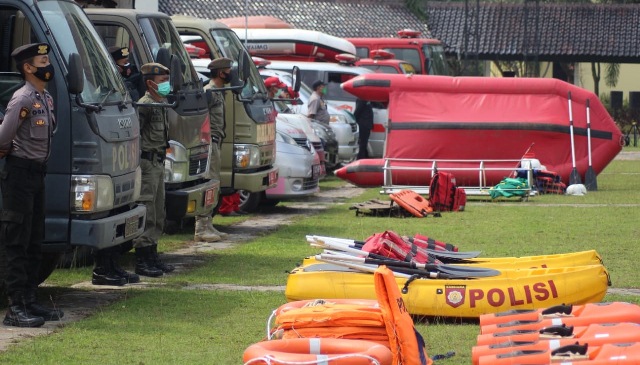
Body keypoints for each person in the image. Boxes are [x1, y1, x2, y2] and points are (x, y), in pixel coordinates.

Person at [0, 43, 64, 327]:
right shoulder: (22, 99)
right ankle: (15, 309)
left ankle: (30, 300)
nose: (47, 65)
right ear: (28, 67)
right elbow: (3, 138)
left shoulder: (45, 98)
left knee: (34, 239)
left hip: (38, 174)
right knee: (17, 240)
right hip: (19, 175)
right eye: (42, 60)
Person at [132, 62, 175, 277]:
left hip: (159, 161)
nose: (166, 85)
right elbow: (136, 135)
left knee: (159, 212)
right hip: (147, 163)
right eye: (162, 81)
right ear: (150, 83)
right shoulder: (145, 104)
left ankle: (153, 254)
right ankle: (142, 258)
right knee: (147, 210)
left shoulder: (163, 102)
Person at [194, 57, 235, 241]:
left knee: (214, 183)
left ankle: (208, 223)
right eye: (229, 69)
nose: (231, 73)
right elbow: (200, 119)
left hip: (216, 142)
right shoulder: (209, 92)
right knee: (208, 183)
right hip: (209, 144)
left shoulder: (219, 91)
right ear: (221, 72)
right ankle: (201, 228)